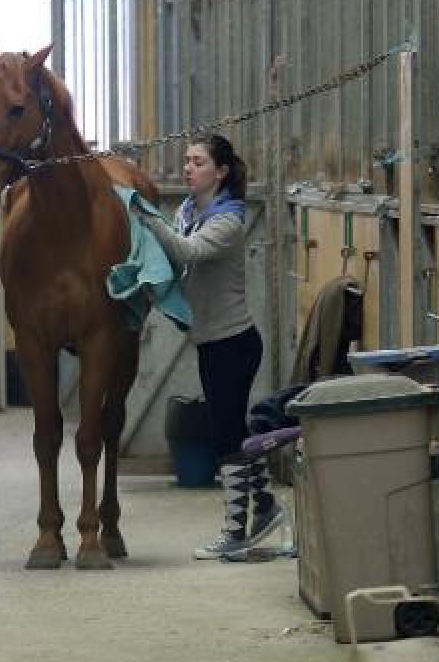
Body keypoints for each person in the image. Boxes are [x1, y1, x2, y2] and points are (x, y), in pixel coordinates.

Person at [135, 134, 285, 559]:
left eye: (198, 162)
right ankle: (268, 507)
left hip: (233, 343)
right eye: (186, 161)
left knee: (225, 440)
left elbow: (186, 252)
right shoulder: (187, 210)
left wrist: (148, 220)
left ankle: (235, 532)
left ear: (220, 171)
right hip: (212, 341)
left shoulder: (228, 221)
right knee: (234, 433)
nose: (188, 168)